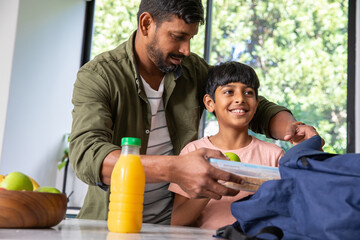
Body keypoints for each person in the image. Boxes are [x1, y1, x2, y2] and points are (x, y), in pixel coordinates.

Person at [69, 0, 321, 224]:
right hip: (112, 221)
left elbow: (241, 100)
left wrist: (291, 128)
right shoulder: (99, 76)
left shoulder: (192, 69)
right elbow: (87, 156)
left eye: (190, 38)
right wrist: (175, 169)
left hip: (175, 226)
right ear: (146, 24)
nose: (186, 50)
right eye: (178, 36)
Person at [169, 61, 284, 230]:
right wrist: (210, 185)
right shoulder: (193, 152)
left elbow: (285, 213)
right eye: (229, 91)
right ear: (210, 103)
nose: (240, 99)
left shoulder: (274, 156)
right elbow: (176, 220)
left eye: (248, 92)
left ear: (256, 104)